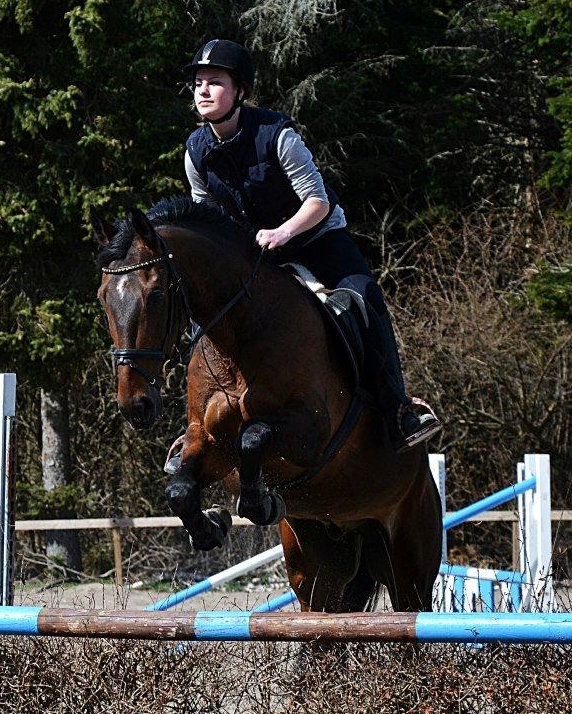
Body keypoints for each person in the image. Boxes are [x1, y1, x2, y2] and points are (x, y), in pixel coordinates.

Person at [167, 38, 440, 472]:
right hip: (256, 254)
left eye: (214, 82)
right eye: (198, 83)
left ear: (240, 92)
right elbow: (209, 221)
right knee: (206, 318)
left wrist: (283, 231)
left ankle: (398, 409)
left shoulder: (278, 136)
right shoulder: (194, 152)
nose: (202, 91)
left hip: (316, 238)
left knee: (365, 298)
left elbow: (318, 202)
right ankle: (197, 424)